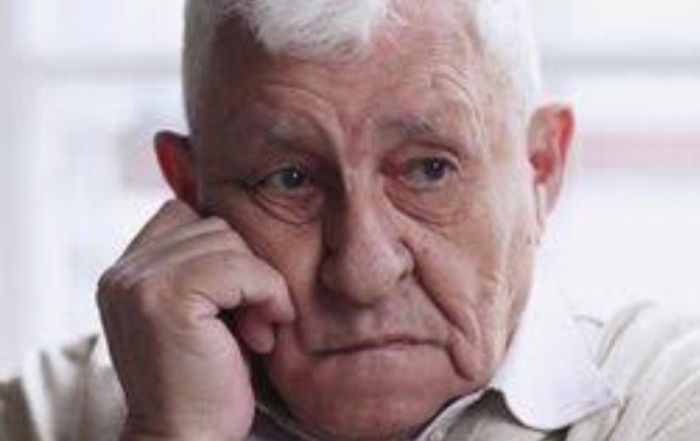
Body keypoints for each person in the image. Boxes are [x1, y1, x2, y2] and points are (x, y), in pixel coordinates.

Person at [2, 0, 700, 440]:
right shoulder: (41, 418)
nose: (363, 271)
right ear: (190, 193)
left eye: (429, 170)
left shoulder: (672, 401)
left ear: (540, 170)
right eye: (291, 179)